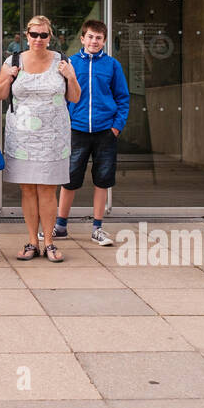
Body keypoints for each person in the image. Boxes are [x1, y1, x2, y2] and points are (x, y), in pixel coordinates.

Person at [0, 15, 80, 262]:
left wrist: (71, 76)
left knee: (47, 189)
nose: (38, 39)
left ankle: (49, 242)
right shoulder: (13, 61)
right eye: (34, 35)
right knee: (28, 189)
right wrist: (8, 77)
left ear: (50, 36)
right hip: (22, 137)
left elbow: (74, 97)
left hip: (53, 137)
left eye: (44, 35)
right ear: (26, 35)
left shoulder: (62, 62)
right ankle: (32, 241)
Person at [54, 19, 130, 245]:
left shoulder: (112, 65)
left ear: (104, 41)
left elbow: (122, 98)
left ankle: (97, 227)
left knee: (103, 180)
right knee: (69, 179)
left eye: (99, 38)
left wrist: (116, 127)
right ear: (82, 38)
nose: (94, 41)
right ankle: (60, 226)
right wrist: (65, 123)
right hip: (76, 130)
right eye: (90, 37)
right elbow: (60, 97)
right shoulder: (70, 63)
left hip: (105, 131)